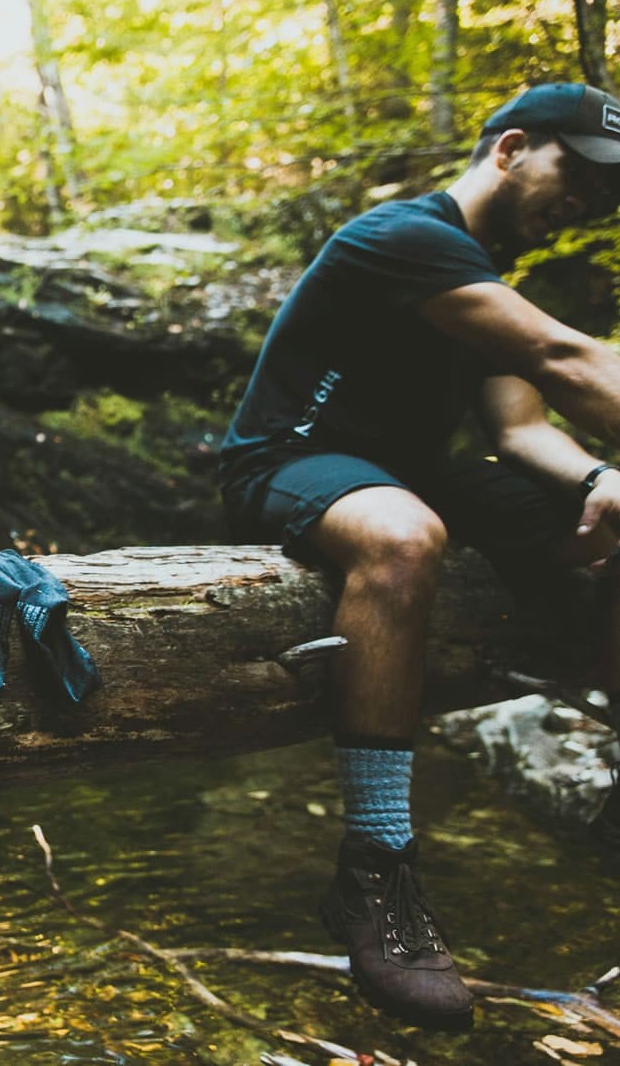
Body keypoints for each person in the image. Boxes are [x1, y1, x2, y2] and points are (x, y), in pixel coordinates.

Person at [218, 81, 620, 1029]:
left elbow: (522, 431)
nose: (591, 202)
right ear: (511, 147)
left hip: (415, 471)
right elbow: (566, 362)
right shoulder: (398, 236)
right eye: (582, 172)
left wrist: (593, 480)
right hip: (291, 459)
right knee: (403, 536)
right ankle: (376, 873)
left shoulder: (484, 281)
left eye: (609, 195)